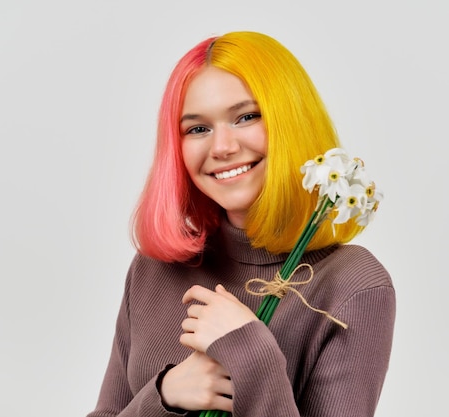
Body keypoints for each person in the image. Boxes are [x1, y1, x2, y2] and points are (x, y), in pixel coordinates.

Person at [87, 31, 395, 417]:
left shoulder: (352, 284)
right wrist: (165, 394)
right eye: (198, 128)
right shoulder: (153, 269)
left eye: (246, 117)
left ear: (291, 122)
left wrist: (250, 351)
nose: (222, 148)